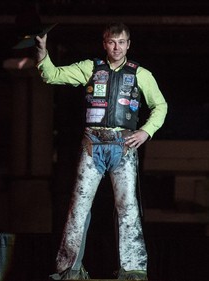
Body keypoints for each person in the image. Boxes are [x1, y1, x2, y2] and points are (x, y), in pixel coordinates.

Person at [35, 22, 167, 280]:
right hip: (92, 144)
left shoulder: (141, 74)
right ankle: (68, 269)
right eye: (111, 42)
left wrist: (146, 131)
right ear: (104, 43)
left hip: (124, 145)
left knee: (127, 207)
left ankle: (133, 270)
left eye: (121, 42)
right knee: (78, 207)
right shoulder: (90, 68)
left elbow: (160, 105)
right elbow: (51, 75)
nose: (116, 47)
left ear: (128, 44)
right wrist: (41, 49)